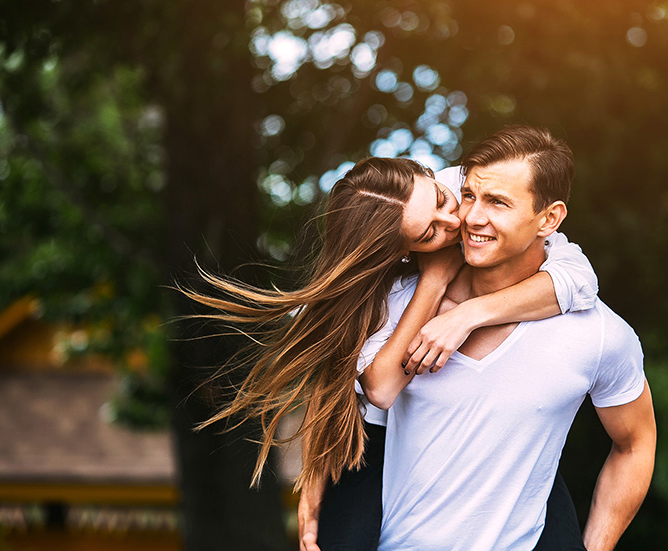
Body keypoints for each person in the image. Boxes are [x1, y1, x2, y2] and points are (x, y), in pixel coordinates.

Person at [179, 155, 597, 548]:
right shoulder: (373, 297)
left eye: (441, 201)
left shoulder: (467, 190)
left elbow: (576, 276)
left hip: (489, 434)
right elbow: (371, 388)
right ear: (399, 250)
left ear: (431, 176)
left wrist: (467, 315)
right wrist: (434, 281)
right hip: (373, 441)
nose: (456, 221)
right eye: (428, 233)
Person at [359, 126, 657, 551]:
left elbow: (635, 444)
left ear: (549, 219)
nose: (472, 218)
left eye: (498, 203)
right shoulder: (399, 300)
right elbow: (350, 399)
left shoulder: (600, 334)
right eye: (469, 196)